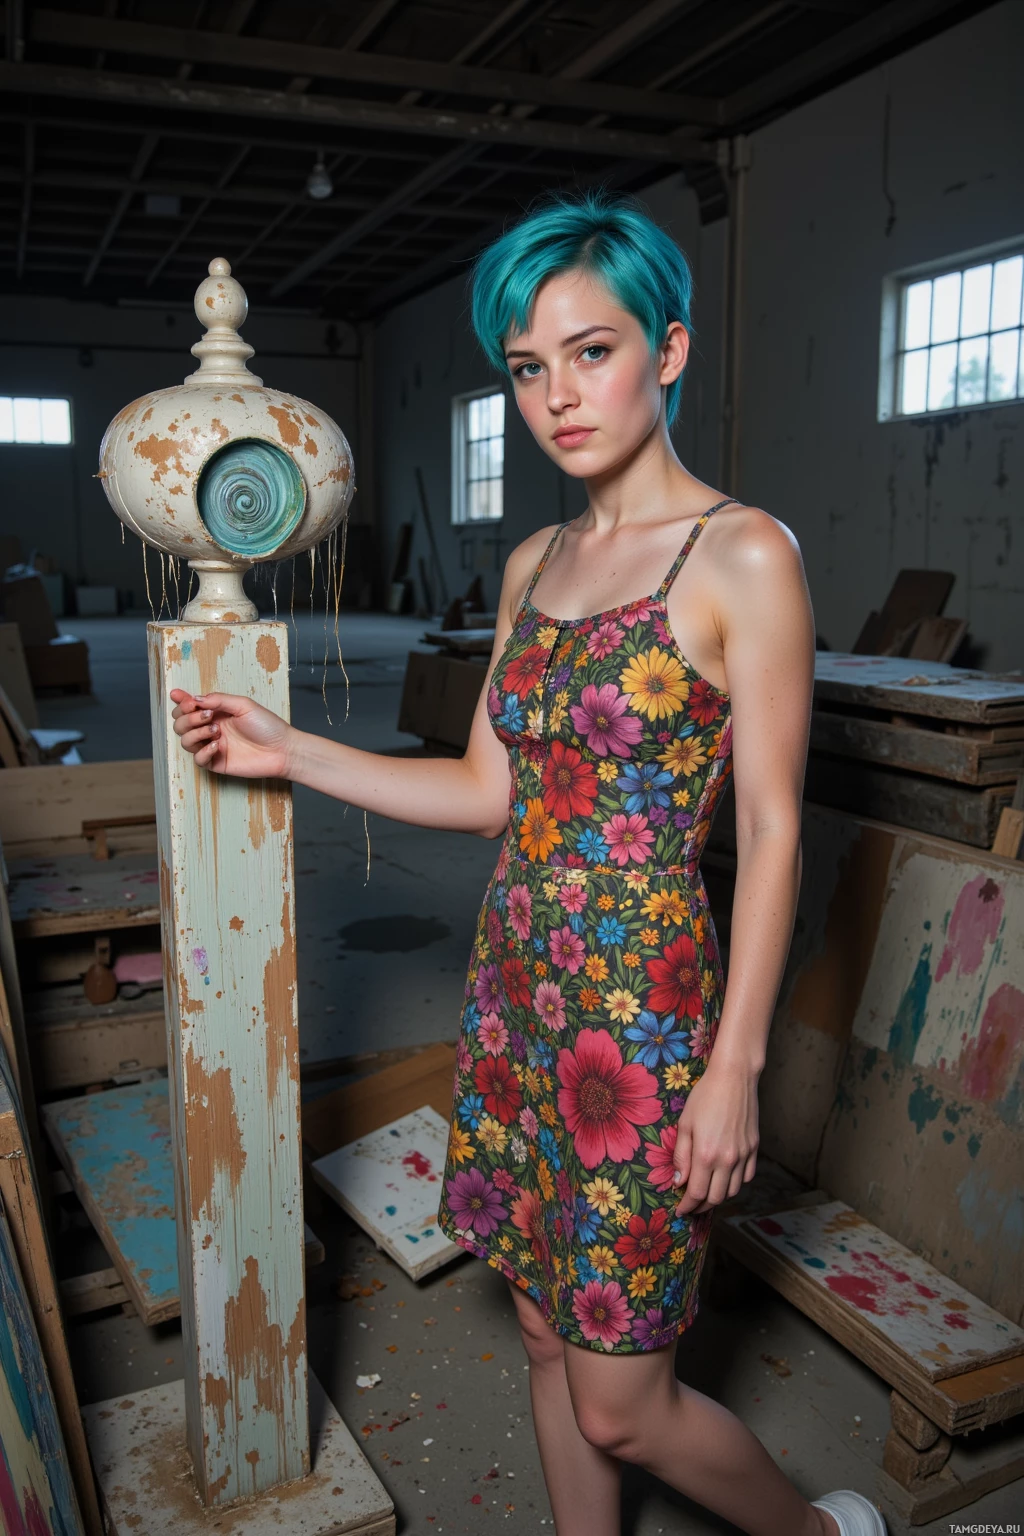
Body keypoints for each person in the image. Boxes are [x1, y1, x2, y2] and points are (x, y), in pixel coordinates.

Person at [170, 190, 886, 1536]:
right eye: (528, 367)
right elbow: (489, 789)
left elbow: (780, 829)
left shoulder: (742, 554)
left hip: (647, 1014)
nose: (558, 394)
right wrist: (290, 751)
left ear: (669, 351)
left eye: (592, 351)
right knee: (553, 1340)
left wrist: (733, 1071)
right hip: (516, 996)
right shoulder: (531, 563)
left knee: (627, 1399)